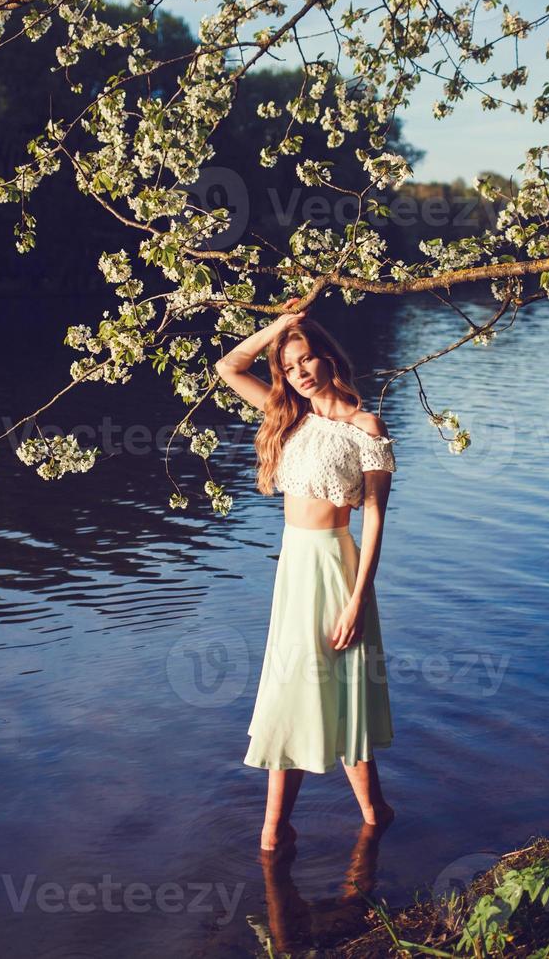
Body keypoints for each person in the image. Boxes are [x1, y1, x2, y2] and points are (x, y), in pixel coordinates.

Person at [214, 303, 397, 853]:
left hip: (337, 571)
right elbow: (228, 367)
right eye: (290, 367)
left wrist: (357, 602)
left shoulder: (365, 427)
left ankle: (371, 812)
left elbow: (376, 521)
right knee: (292, 689)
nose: (301, 373)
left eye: (308, 359)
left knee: (346, 693)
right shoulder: (286, 416)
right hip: (293, 569)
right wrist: (280, 327)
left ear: (327, 357)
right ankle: (277, 827)